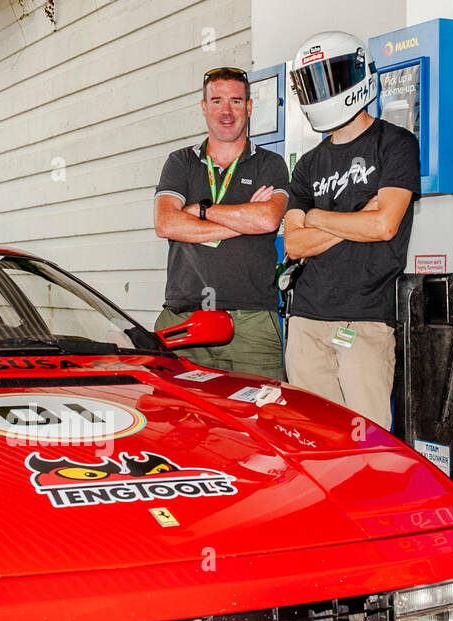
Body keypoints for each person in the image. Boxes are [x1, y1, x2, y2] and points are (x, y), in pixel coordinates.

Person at [282, 31, 421, 429]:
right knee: (314, 437)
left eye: (332, 77)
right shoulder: (307, 164)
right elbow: (293, 243)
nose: (323, 91)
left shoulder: (395, 144)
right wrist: (358, 214)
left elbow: (383, 225)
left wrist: (319, 217)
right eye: (313, 82)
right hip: (306, 320)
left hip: (364, 321)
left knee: (366, 441)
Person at [153, 66, 290, 379]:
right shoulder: (181, 162)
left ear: (249, 107)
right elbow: (166, 224)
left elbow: (268, 218)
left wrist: (199, 210)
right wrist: (242, 220)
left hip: (251, 322)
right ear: (204, 108)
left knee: (259, 418)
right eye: (216, 101)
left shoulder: (270, 164)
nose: (226, 111)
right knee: (179, 418)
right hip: (183, 317)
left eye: (236, 101)